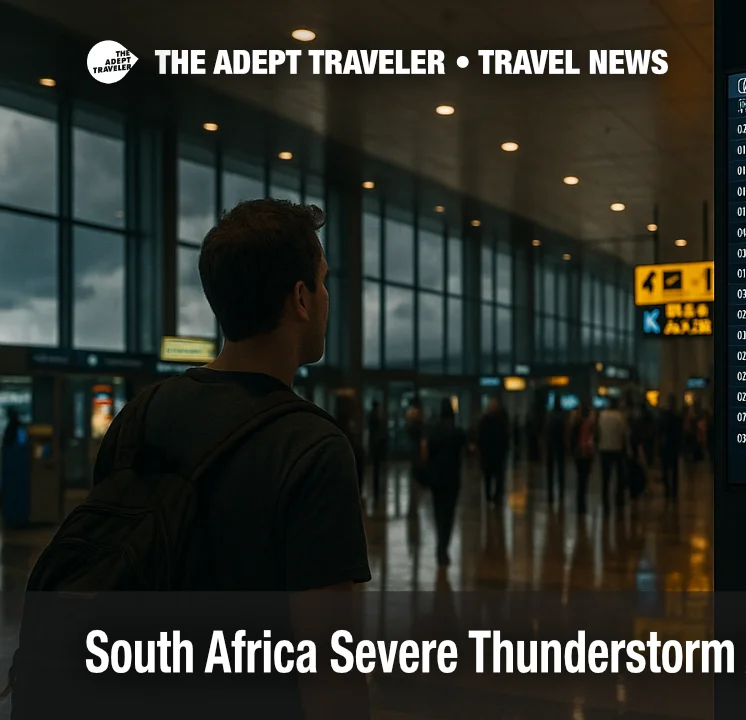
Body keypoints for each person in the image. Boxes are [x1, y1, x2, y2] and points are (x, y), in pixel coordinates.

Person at [87, 199, 371, 716]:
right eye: (324, 281)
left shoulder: (139, 415)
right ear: (301, 298)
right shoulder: (312, 448)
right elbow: (330, 677)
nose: (328, 297)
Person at [424, 399, 468, 565]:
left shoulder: (434, 433)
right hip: (452, 479)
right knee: (449, 515)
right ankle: (444, 548)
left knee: (438, 513)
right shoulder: (457, 433)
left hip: (437, 479)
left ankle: (440, 546)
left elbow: (427, 452)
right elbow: (467, 450)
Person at [596, 398, 629, 510]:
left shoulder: (602, 415)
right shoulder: (620, 416)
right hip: (617, 448)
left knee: (606, 478)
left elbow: (598, 432)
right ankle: (619, 499)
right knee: (620, 476)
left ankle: (605, 501)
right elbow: (625, 434)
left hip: (604, 448)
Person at [477, 397, 511, 504]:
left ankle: (492, 496)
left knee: (491, 476)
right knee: (495, 476)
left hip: (490, 453)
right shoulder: (501, 420)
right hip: (495, 453)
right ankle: (495, 496)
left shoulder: (485, 420)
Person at [569, 405, 597, 514]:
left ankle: (580, 504)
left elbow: (572, 438)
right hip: (588, 454)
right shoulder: (591, 425)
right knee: (584, 479)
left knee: (580, 478)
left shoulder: (576, 424)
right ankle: (582, 504)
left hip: (579, 453)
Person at [544, 397, 568, 506]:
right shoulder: (563, 416)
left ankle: (550, 494)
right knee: (561, 471)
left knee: (550, 471)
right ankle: (561, 493)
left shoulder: (550, 416)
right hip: (561, 445)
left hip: (550, 445)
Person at [660, 394, 683, 501]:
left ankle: (668, 490)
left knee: (666, 469)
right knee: (674, 470)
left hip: (666, 446)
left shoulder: (664, 417)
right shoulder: (677, 417)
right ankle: (673, 491)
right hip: (673, 446)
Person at [367, 400, 387, 510]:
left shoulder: (373, 417)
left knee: (377, 469)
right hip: (376, 446)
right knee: (377, 469)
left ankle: (377, 490)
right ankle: (376, 491)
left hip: (375, 445)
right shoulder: (374, 418)